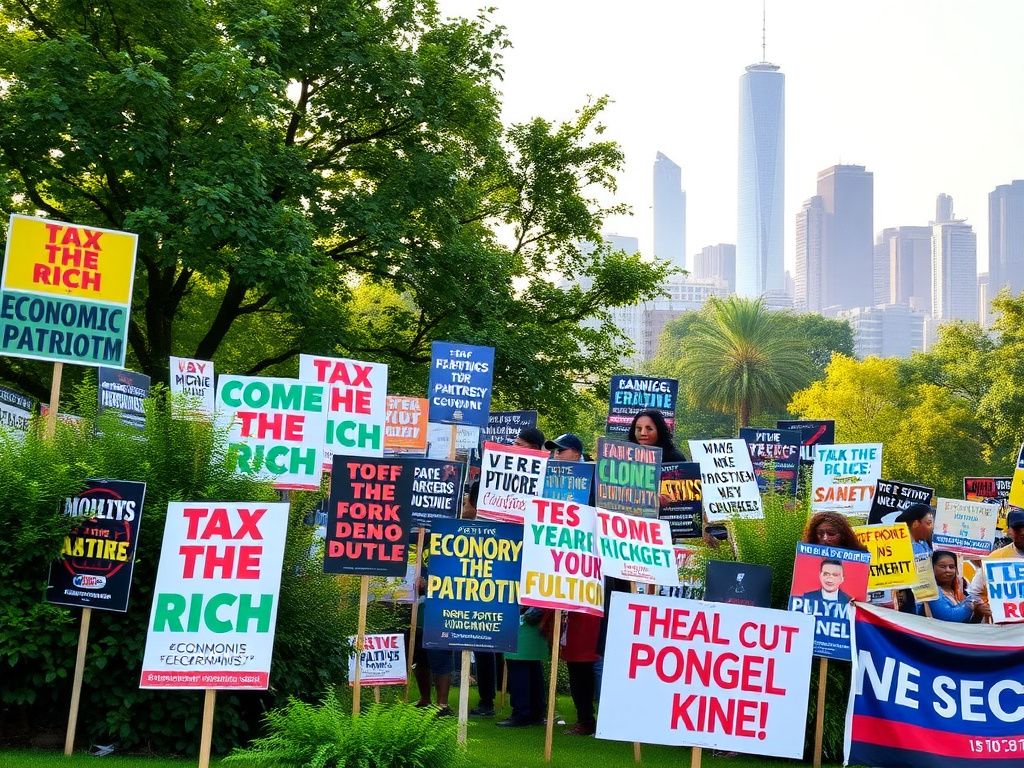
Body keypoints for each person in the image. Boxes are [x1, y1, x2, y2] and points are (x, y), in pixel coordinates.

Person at [459, 480, 502, 716]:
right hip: (482, 582)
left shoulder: (482, 519)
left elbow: (467, 512)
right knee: (485, 646)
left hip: (484, 584)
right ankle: (489, 699)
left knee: (484, 644)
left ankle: (487, 701)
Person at [497, 607, 550, 727]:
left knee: (519, 669)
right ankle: (536, 713)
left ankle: (522, 714)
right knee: (533, 668)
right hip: (534, 622)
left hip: (522, 623)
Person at [968, 507, 1024, 611]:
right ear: (1008, 531)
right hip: (1005, 625)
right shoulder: (994, 559)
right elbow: (973, 593)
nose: (1022, 532)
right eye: (1017, 528)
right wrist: (981, 607)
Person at [561, 611, 602, 735]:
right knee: (579, 676)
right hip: (578, 630)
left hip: (587, 630)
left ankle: (586, 721)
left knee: (581, 678)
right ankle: (585, 720)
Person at [921, 550, 984, 623]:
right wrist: (972, 604)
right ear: (932, 568)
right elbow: (950, 617)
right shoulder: (930, 590)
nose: (948, 570)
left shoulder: (960, 592)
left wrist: (979, 613)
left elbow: (967, 625)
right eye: (942, 566)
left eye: (951, 567)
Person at [803, 511, 868, 552]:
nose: (825, 538)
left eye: (831, 533)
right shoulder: (805, 555)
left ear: (843, 536)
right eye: (820, 534)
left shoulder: (858, 557)